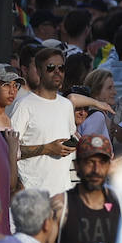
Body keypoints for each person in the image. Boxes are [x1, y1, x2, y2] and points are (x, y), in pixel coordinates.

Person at [11, 46, 77, 208]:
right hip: (32, 196)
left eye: (61, 68)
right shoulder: (24, 105)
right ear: (39, 71)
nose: (57, 72)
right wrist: (47, 148)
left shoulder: (66, 105)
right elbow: (10, 149)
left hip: (62, 195)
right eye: (50, 68)